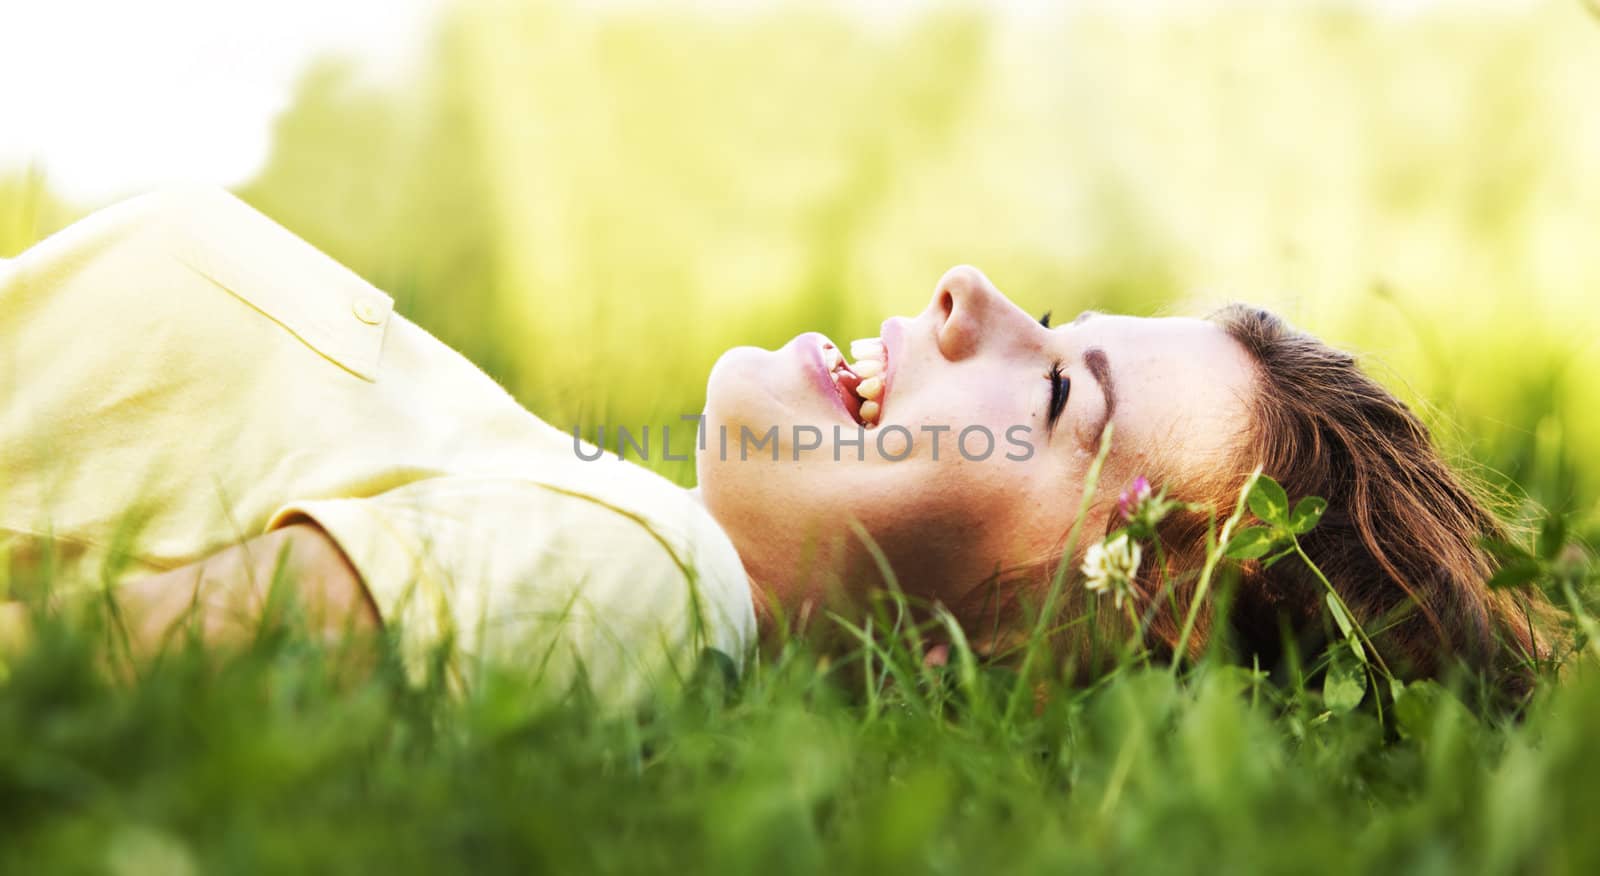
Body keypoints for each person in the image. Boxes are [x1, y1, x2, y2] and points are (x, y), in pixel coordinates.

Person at [0, 187, 1555, 703]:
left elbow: (74, 675)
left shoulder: (622, 590)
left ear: (1006, 647)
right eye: (1056, 318)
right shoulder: (572, 505)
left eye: (1062, 394)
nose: (974, 294)